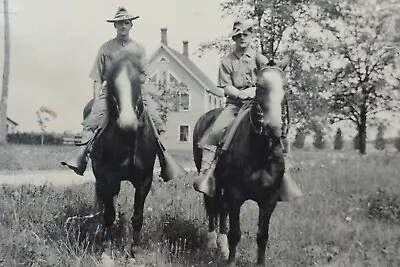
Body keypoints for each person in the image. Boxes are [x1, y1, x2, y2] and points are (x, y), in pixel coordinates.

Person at [193, 20, 303, 201]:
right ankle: (207, 173)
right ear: (234, 38)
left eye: (245, 34)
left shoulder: (260, 59)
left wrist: (255, 91)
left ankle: (283, 174)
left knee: (276, 130)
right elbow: (225, 86)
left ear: (251, 36)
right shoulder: (227, 61)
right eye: (238, 35)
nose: (242, 38)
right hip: (235, 105)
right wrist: (239, 93)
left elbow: (269, 80)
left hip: (256, 105)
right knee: (216, 131)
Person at [61, 7, 165, 176]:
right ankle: (81, 157)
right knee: (92, 120)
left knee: (156, 120)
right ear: (115, 26)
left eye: (126, 23)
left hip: (135, 91)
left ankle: (164, 159)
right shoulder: (105, 49)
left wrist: (137, 89)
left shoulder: (138, 49)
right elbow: (97, 78)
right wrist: (96, 100)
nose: (123, 26)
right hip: (110, 91)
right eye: (119, 23)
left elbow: (144, 75)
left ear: (131, 25)